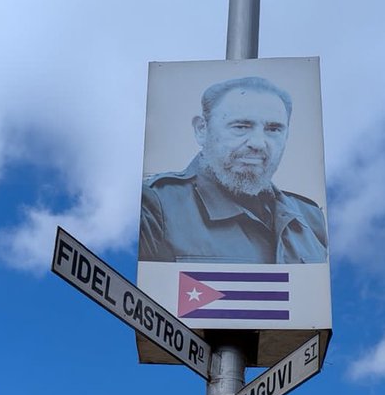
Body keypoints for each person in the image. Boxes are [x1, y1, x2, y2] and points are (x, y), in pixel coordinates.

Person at [140, 75, 329, 265]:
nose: (258, 143)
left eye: (273, 129)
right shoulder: (155, 207)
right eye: (241, 126)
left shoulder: (310, 217)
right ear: (201, 130)